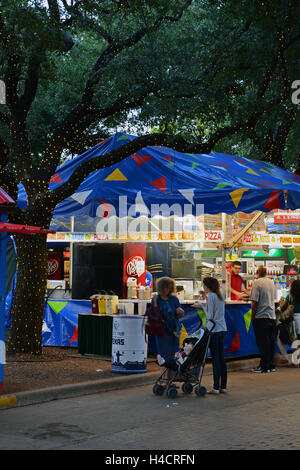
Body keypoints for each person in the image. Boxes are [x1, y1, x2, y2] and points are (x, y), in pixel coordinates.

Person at [202, 277, 227, 395]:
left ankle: (215, 387)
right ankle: (223, 386)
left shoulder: (211, 296)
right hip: (222, 328)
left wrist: (202, 307)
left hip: (214, 330)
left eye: (204, 285)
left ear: (207, 286)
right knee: (222, 358)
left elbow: (210, 316)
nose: (203, 286)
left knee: (216, 359)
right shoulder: (220, 295)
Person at [153, 277, 184, 369]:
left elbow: (180, 314)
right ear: (161, 288)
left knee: (173, 354)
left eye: (170, 288)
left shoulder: (174, 299)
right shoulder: (156, 299)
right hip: (162, 330)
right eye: (166, 287)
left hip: (174, 329)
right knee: (164, 355)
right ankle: (164, 380)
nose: (168, 290)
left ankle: (170, 379)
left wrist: (180, 311)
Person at [250, 266, 276, 373]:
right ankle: (271, 365)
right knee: (270, 342)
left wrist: (253, 315)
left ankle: (264, 366)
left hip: (261, 316)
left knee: (262, 342)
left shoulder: (257, 283)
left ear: (257, 273)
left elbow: (254, 301)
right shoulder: (271, 282)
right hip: (271, 316)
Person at [277, 279, 300, 367]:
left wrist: (280, 302)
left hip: (295, 319)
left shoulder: (290, 296)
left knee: (295, 340)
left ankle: (296, 362)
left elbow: (282, 308)